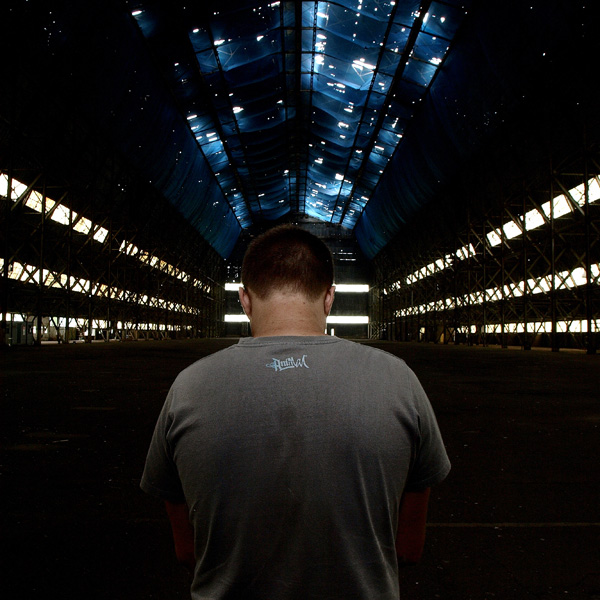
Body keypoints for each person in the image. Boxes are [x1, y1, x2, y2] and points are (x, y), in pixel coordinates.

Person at [141, 224, 450, 599]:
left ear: (245, 299)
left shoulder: (188, 387)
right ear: (329, 298)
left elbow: (187, 551)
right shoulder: (399, 380)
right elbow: (408, 549)